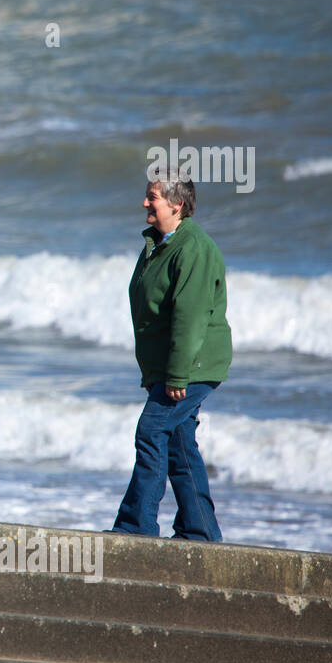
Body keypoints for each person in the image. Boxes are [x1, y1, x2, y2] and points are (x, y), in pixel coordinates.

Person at [110, 170, 232, 540]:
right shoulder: (159, 244)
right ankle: (201, 531)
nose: (145, 203)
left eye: (153, 197)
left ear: (177, 205)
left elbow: (190, 316)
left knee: (150, 430)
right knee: (179, 444)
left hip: (192, 367)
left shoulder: (191, 247)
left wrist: (177, 375)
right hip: (173, 367)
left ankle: (136, 527)